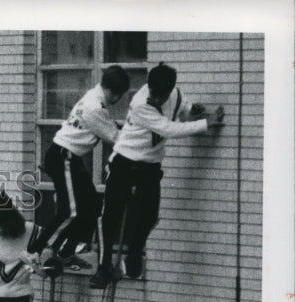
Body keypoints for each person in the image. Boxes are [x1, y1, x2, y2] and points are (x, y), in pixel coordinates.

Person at [91, 62, 224, 288]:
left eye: (160, 96)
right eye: (153, 93)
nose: (156, 99)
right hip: (124, 160)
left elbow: (182, 107)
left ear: (170, 90)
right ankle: (104, 268)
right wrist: (204, 124)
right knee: (111, 216)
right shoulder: (141, 103)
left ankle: (134, 253)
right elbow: (168, 129)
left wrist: (194, 110)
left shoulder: (175, 95)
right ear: (148, 87)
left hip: (149, 165)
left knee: (150, 215)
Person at [32, 65, 130, 269]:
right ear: (113, 92)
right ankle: (34, 251)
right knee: (69, 211)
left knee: (93, 206)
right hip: (63, 157)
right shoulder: (94, 108)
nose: (117, 102)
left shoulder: (93, 95)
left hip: (70, 158)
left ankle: (67, 252)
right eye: (119, 97)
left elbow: (109, 128)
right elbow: (115, 138)